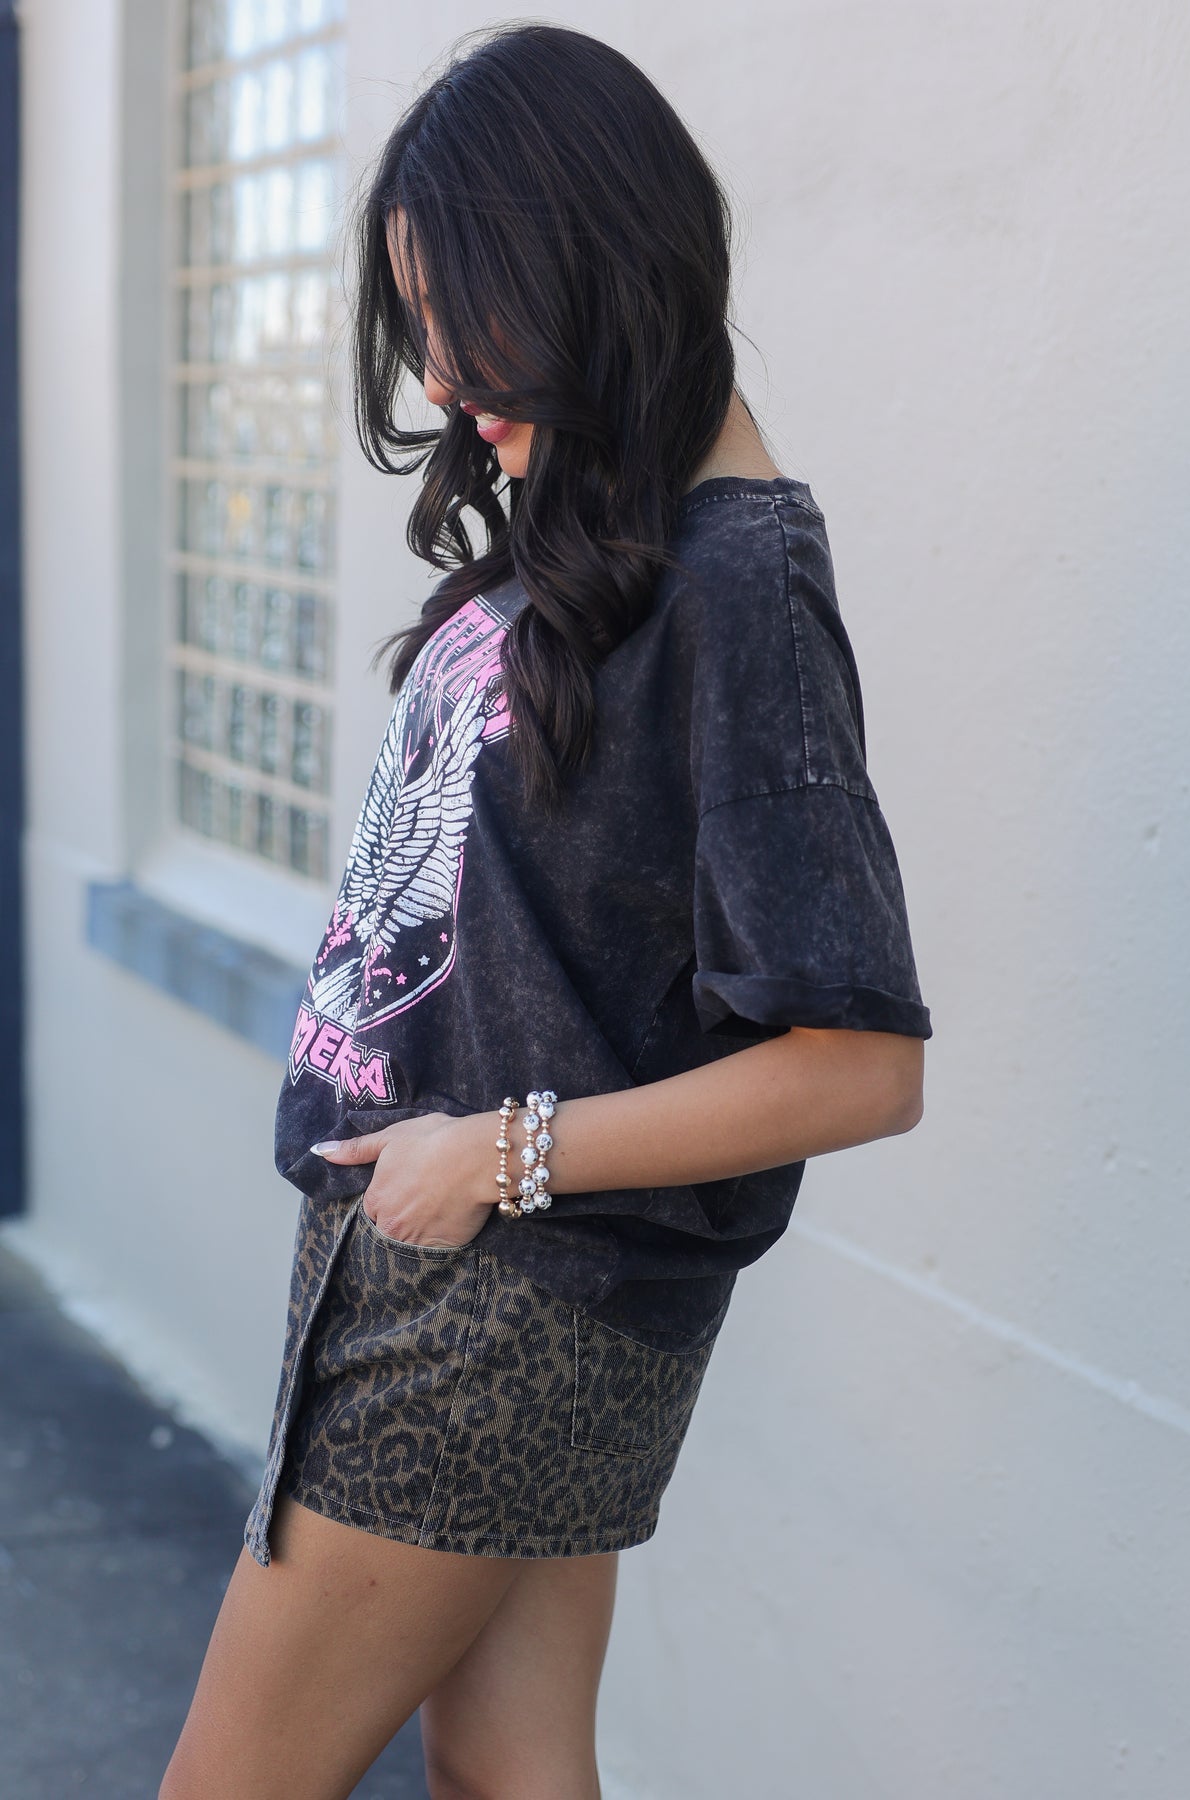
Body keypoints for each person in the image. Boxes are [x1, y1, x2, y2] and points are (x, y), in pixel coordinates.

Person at [160, 21, 931, 1800]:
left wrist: (493, 1155)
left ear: (594, 259)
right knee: (509, 1771)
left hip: (503, 1300)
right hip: (441, 1268)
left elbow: (858, 1062)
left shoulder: (742, 578)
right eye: (419, 323)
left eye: (469, 315)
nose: (439, 376)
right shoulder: (612, 535)